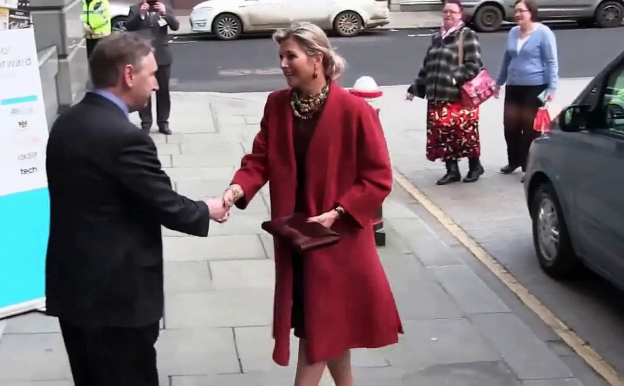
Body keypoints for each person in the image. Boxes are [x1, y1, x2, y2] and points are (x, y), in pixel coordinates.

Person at [221, 22, 403, 386]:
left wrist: (338, 212)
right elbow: (260, 159)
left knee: (316, 335)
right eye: (281, 57)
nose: (284, 64)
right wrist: (237, 190)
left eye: (291, 56)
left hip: (338, 244)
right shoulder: (277, 105)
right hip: (298, 242)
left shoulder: (355, 112)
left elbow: (378, 178)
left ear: (317, 59)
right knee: (327, 333)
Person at [44, 32, 229, 386]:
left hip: (73, 291)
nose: (157, 84)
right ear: (129, 75)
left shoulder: (66, 123)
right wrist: (207, 209)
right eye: (152, 74)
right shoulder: (125, 138)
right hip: (117, 300)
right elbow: (165, 203)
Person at [407, 0, 485, 185]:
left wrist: (454, 77)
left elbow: (474, 65)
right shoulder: (437, 37)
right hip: (437, 97)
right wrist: (415, 88)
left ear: (460, 15)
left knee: (464, 135)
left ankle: (475, 167)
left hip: (458, 98)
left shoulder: (467, 35)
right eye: (445, 11)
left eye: (452, 12)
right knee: (442, 136)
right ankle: (452, 171)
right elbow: (427, 66)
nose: (448, 14)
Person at [494, 0, 558, 181]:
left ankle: (529, 167)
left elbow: (552, 61)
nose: (517, 14)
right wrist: (498, 83)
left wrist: (552, 86)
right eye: (516, 11)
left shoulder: (544, 33)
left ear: (531, 12)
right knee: (511, 126)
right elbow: (507, 58)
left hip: (535, 86)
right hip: (514, 86)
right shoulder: (513, 32)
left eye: (521, 11)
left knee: (530, 129)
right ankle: (514, 160)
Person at [126, 0, 179, 135]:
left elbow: (175, 26)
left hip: (162, 56)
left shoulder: (164, 7)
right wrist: (141, 15)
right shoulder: (135, 9)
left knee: (163, 91)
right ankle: (146, 123)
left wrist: (165, 14)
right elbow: (129, 27)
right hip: (143, 56)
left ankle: (163, 123)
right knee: (144, 90)